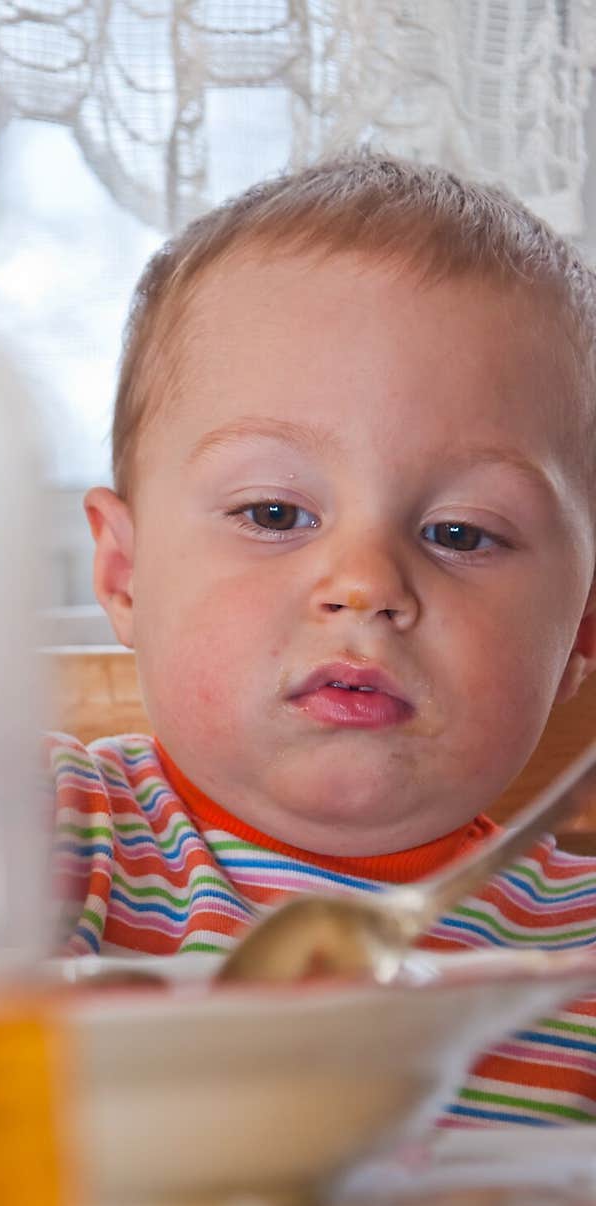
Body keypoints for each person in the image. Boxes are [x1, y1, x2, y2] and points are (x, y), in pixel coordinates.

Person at [48, 151, 596, 1127]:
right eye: (272, 513)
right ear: (126, 575)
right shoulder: (41, 835)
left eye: (460, 533)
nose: (364, 585)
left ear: (581, 628)